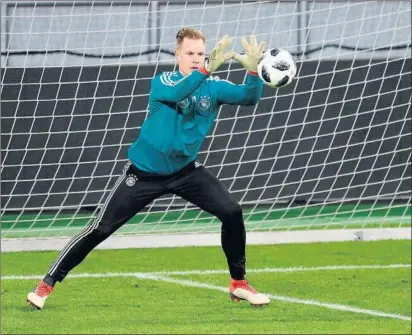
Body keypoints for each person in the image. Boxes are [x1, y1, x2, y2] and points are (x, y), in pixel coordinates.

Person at [27, 27, 270, 309]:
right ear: (177, 53)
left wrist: (254, 74)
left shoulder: (212, 86)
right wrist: (203, 70)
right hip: (143, 174)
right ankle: (46, 285)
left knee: (232, 211)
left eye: (200, 54)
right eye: (189, 53)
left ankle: (238, 284)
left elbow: (249, 98)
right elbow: (180, 92)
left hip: (186, 172)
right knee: (100, 228)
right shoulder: (163, 81)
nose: (195, 58)